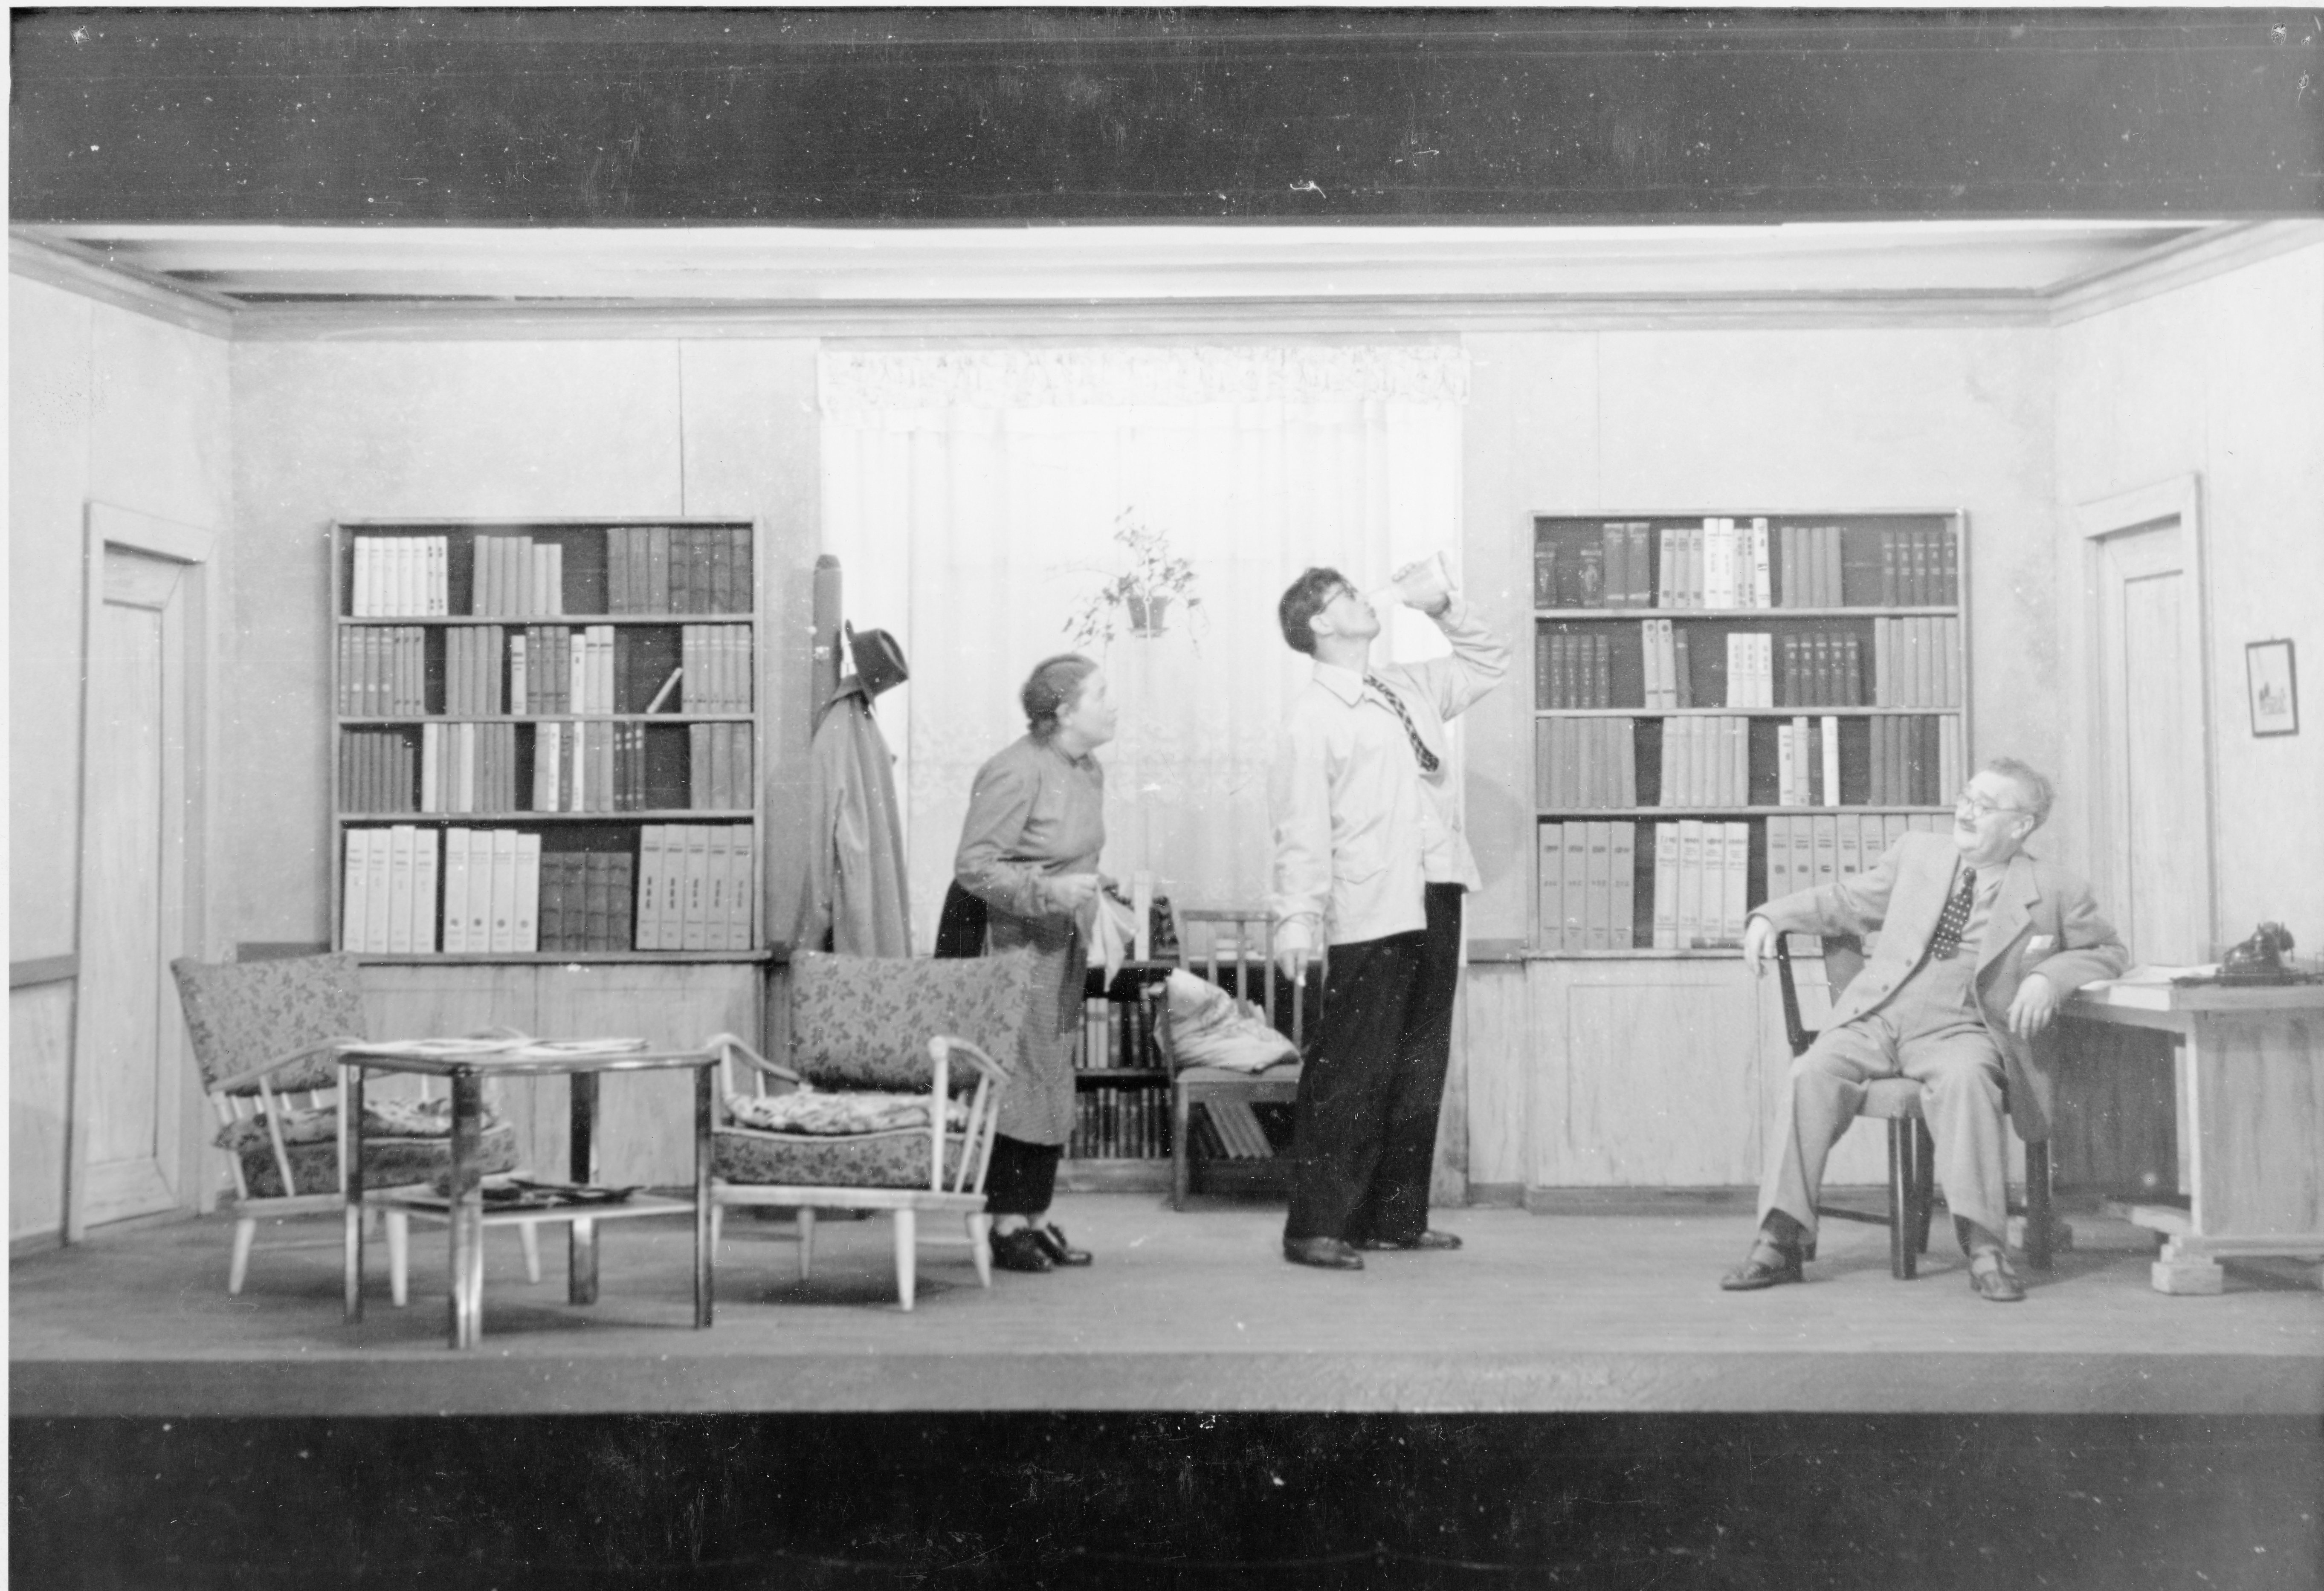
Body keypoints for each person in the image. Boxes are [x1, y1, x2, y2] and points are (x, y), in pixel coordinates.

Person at [1721, 757, 2128, 1302]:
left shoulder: (2055, 888)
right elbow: (1846, 901)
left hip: (1960, 1028)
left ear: (2021, 825)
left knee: (1968, 1081)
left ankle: (1984, 1248)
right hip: (1877, 1015)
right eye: (1965, 798)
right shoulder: (1917, 853)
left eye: (1984, 806)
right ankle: (1779, 1239)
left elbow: (2106, 951)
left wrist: (2048, 979)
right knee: (1808, 1073)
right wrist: (1770, 916)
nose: (1965, 812)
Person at [1269, 564, 1509, 1271]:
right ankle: (1316, 1227)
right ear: (1319, 624)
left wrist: (1442, 604)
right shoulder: (1311, 718)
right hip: (1370, 905)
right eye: (1345, 595)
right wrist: (1296, 918)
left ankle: (1395, 1220)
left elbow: (1489, 662)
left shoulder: (1408, 686)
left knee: (1419, 1061)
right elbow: (1300, 829)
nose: (1362, 597)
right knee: (1353, 1066)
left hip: (1436, 887)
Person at [954, 654, 1118, 1274]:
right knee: (1018, 1077)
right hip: (1010, 944)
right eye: (1101, 694)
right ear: (1065, 712)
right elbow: (974, 867)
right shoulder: (1014, 770)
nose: (1113, 705)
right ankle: (1003, 1224)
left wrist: (1090, 887)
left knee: (1051, 1074)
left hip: (1060, 940)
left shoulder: (1088, 768)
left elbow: (1068, 852)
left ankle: (1034, 1216)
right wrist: (1049, 891)